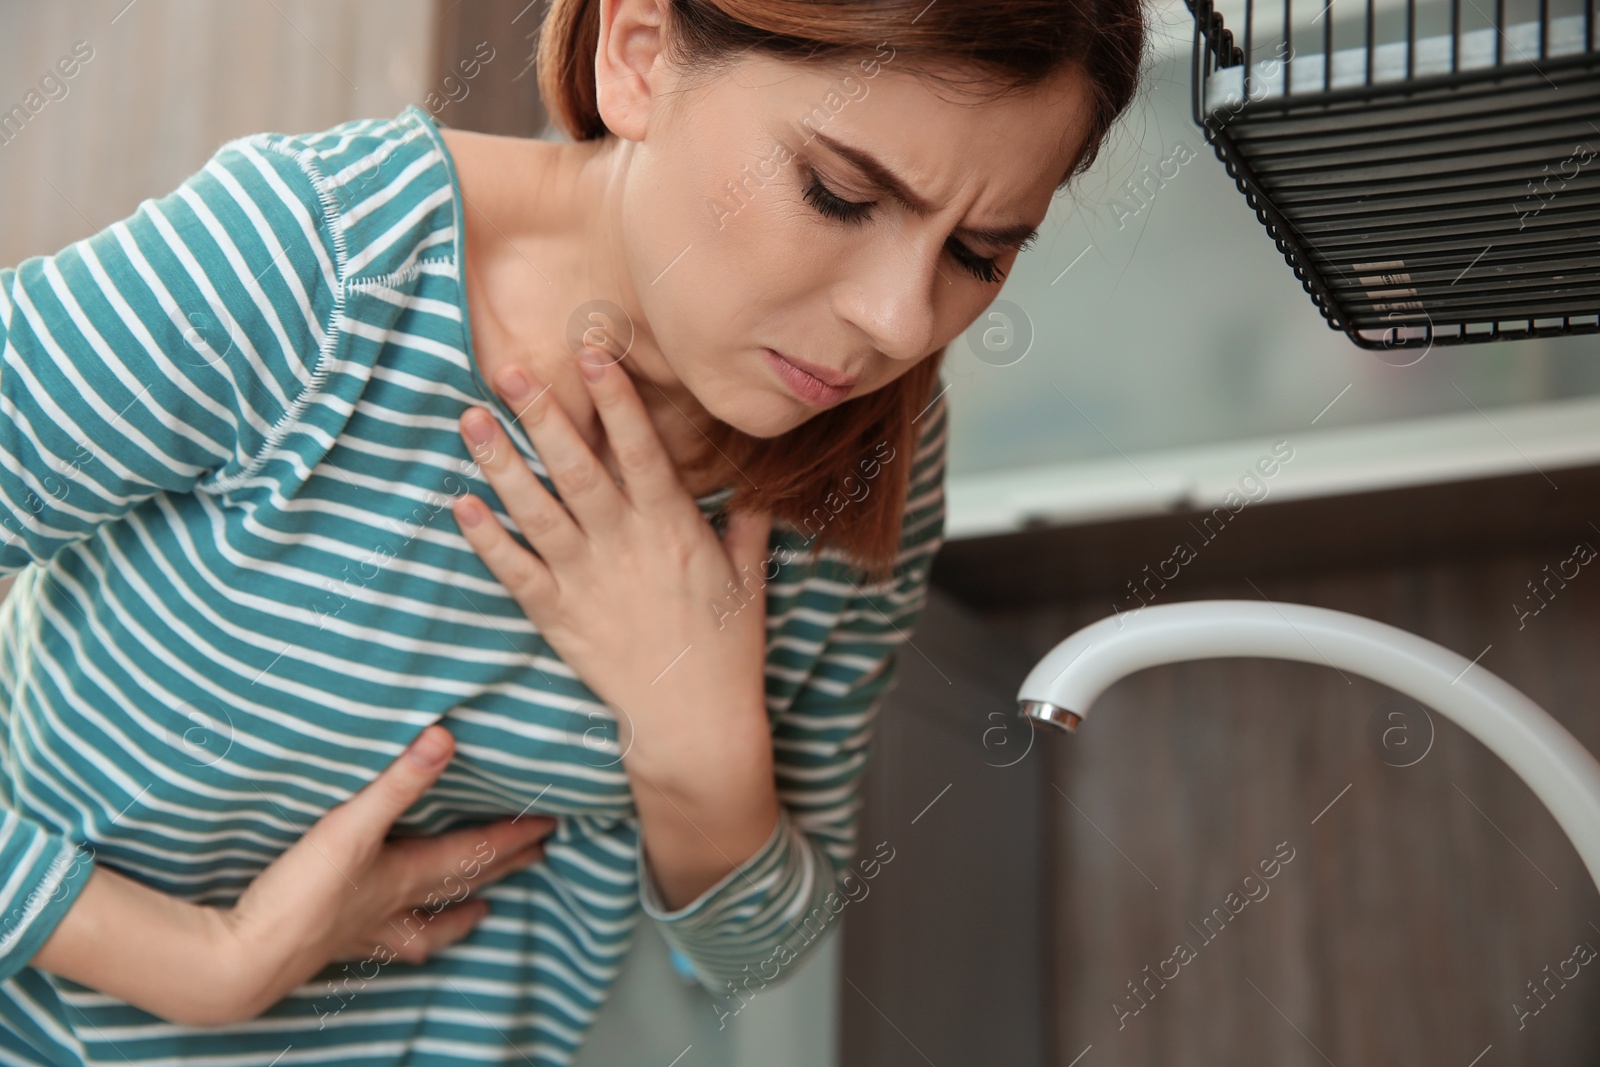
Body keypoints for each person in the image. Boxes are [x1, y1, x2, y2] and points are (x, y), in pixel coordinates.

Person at [0, 0, 1145, 1062]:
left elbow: (754, 950)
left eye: (977, 252)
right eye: (841, 194)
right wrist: (205, 964)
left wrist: (698, 737)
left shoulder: (873, 456)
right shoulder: (316, 261)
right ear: (638, 54)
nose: (896, 321)